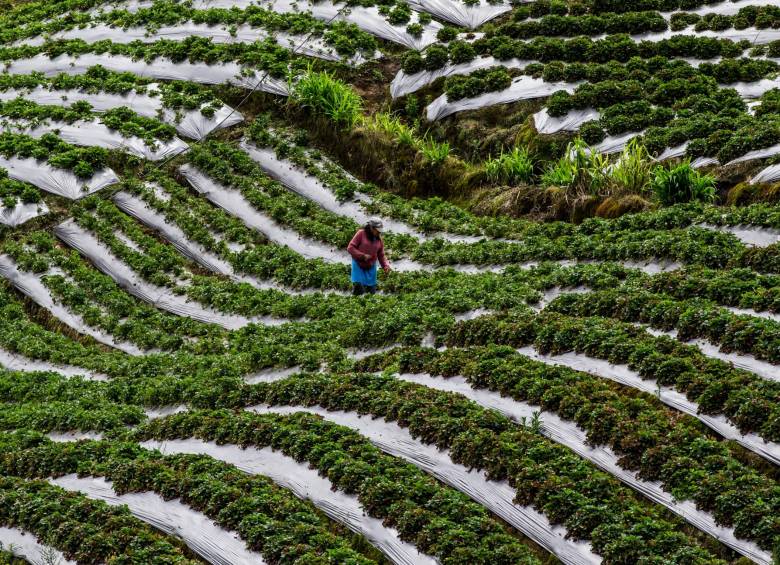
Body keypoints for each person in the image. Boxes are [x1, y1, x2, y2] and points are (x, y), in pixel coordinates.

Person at [347, 218, 391, 295]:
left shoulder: (379, 240)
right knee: (359, 287)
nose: (378, 232)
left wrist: (385, 266)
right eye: (377, 230)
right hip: (358, 264)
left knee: (371, 291)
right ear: (371, 228)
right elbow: (350, 248)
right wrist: (362, 256)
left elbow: (381, 255)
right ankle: (354, 303)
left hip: (371, 266)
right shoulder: (361, 234)